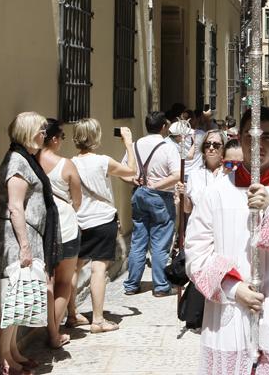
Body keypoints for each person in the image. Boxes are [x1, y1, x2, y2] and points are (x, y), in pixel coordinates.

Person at [184, 106, 269, 374]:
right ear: (241, 137)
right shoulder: (216, 193)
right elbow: (196, 254)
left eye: (267, 137)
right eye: (251, 136)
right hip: (229, 313)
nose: (258, 144)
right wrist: (235, 290)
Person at [0, 112, 62, 375]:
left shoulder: (25, 159)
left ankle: (12, 352)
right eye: (41, 129)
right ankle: (1, 360)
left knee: (20, 297)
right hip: (18, 237)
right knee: (12, 297)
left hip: (28, 235)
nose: (45, 133)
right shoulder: (17, 163)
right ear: (29, 132)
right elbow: (15, 207)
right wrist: (25, 246)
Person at [70, 119, 137, 332]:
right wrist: (128, 143)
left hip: (78, 221)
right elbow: (131, 172)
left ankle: (71, 314)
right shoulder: (102, 161)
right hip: (102, 220)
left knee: (74, 267)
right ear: (96, 137)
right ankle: (97, 320)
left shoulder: (70, 163)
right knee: (98, 269)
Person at [122, 112, 181, 297]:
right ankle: (161, 286)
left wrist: (136, 181)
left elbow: (123, 171)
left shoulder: (135, 145)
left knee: (138, 241)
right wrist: (156, 184)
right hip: (161, 197)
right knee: (160, 242)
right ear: (163, 126)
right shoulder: (168, 147)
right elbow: (176, 175)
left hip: (139, 195)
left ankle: (132, 284)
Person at [36, 119, 81, 349]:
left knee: (48, 280)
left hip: (39, 225)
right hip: (65, 225)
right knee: (64, 281)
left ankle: (49, 329)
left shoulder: (30, 160)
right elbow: (77, 200)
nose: (62, 141)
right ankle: (53, 332)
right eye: (61, 137)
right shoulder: (66, 164)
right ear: (53, 139)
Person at [186, 129, 226, 208]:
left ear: (223, 148)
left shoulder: (228, 174)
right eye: (207, 144)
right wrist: (182, 195)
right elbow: (188, 209)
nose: (211, 148)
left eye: (216, 145)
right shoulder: (194, 174)